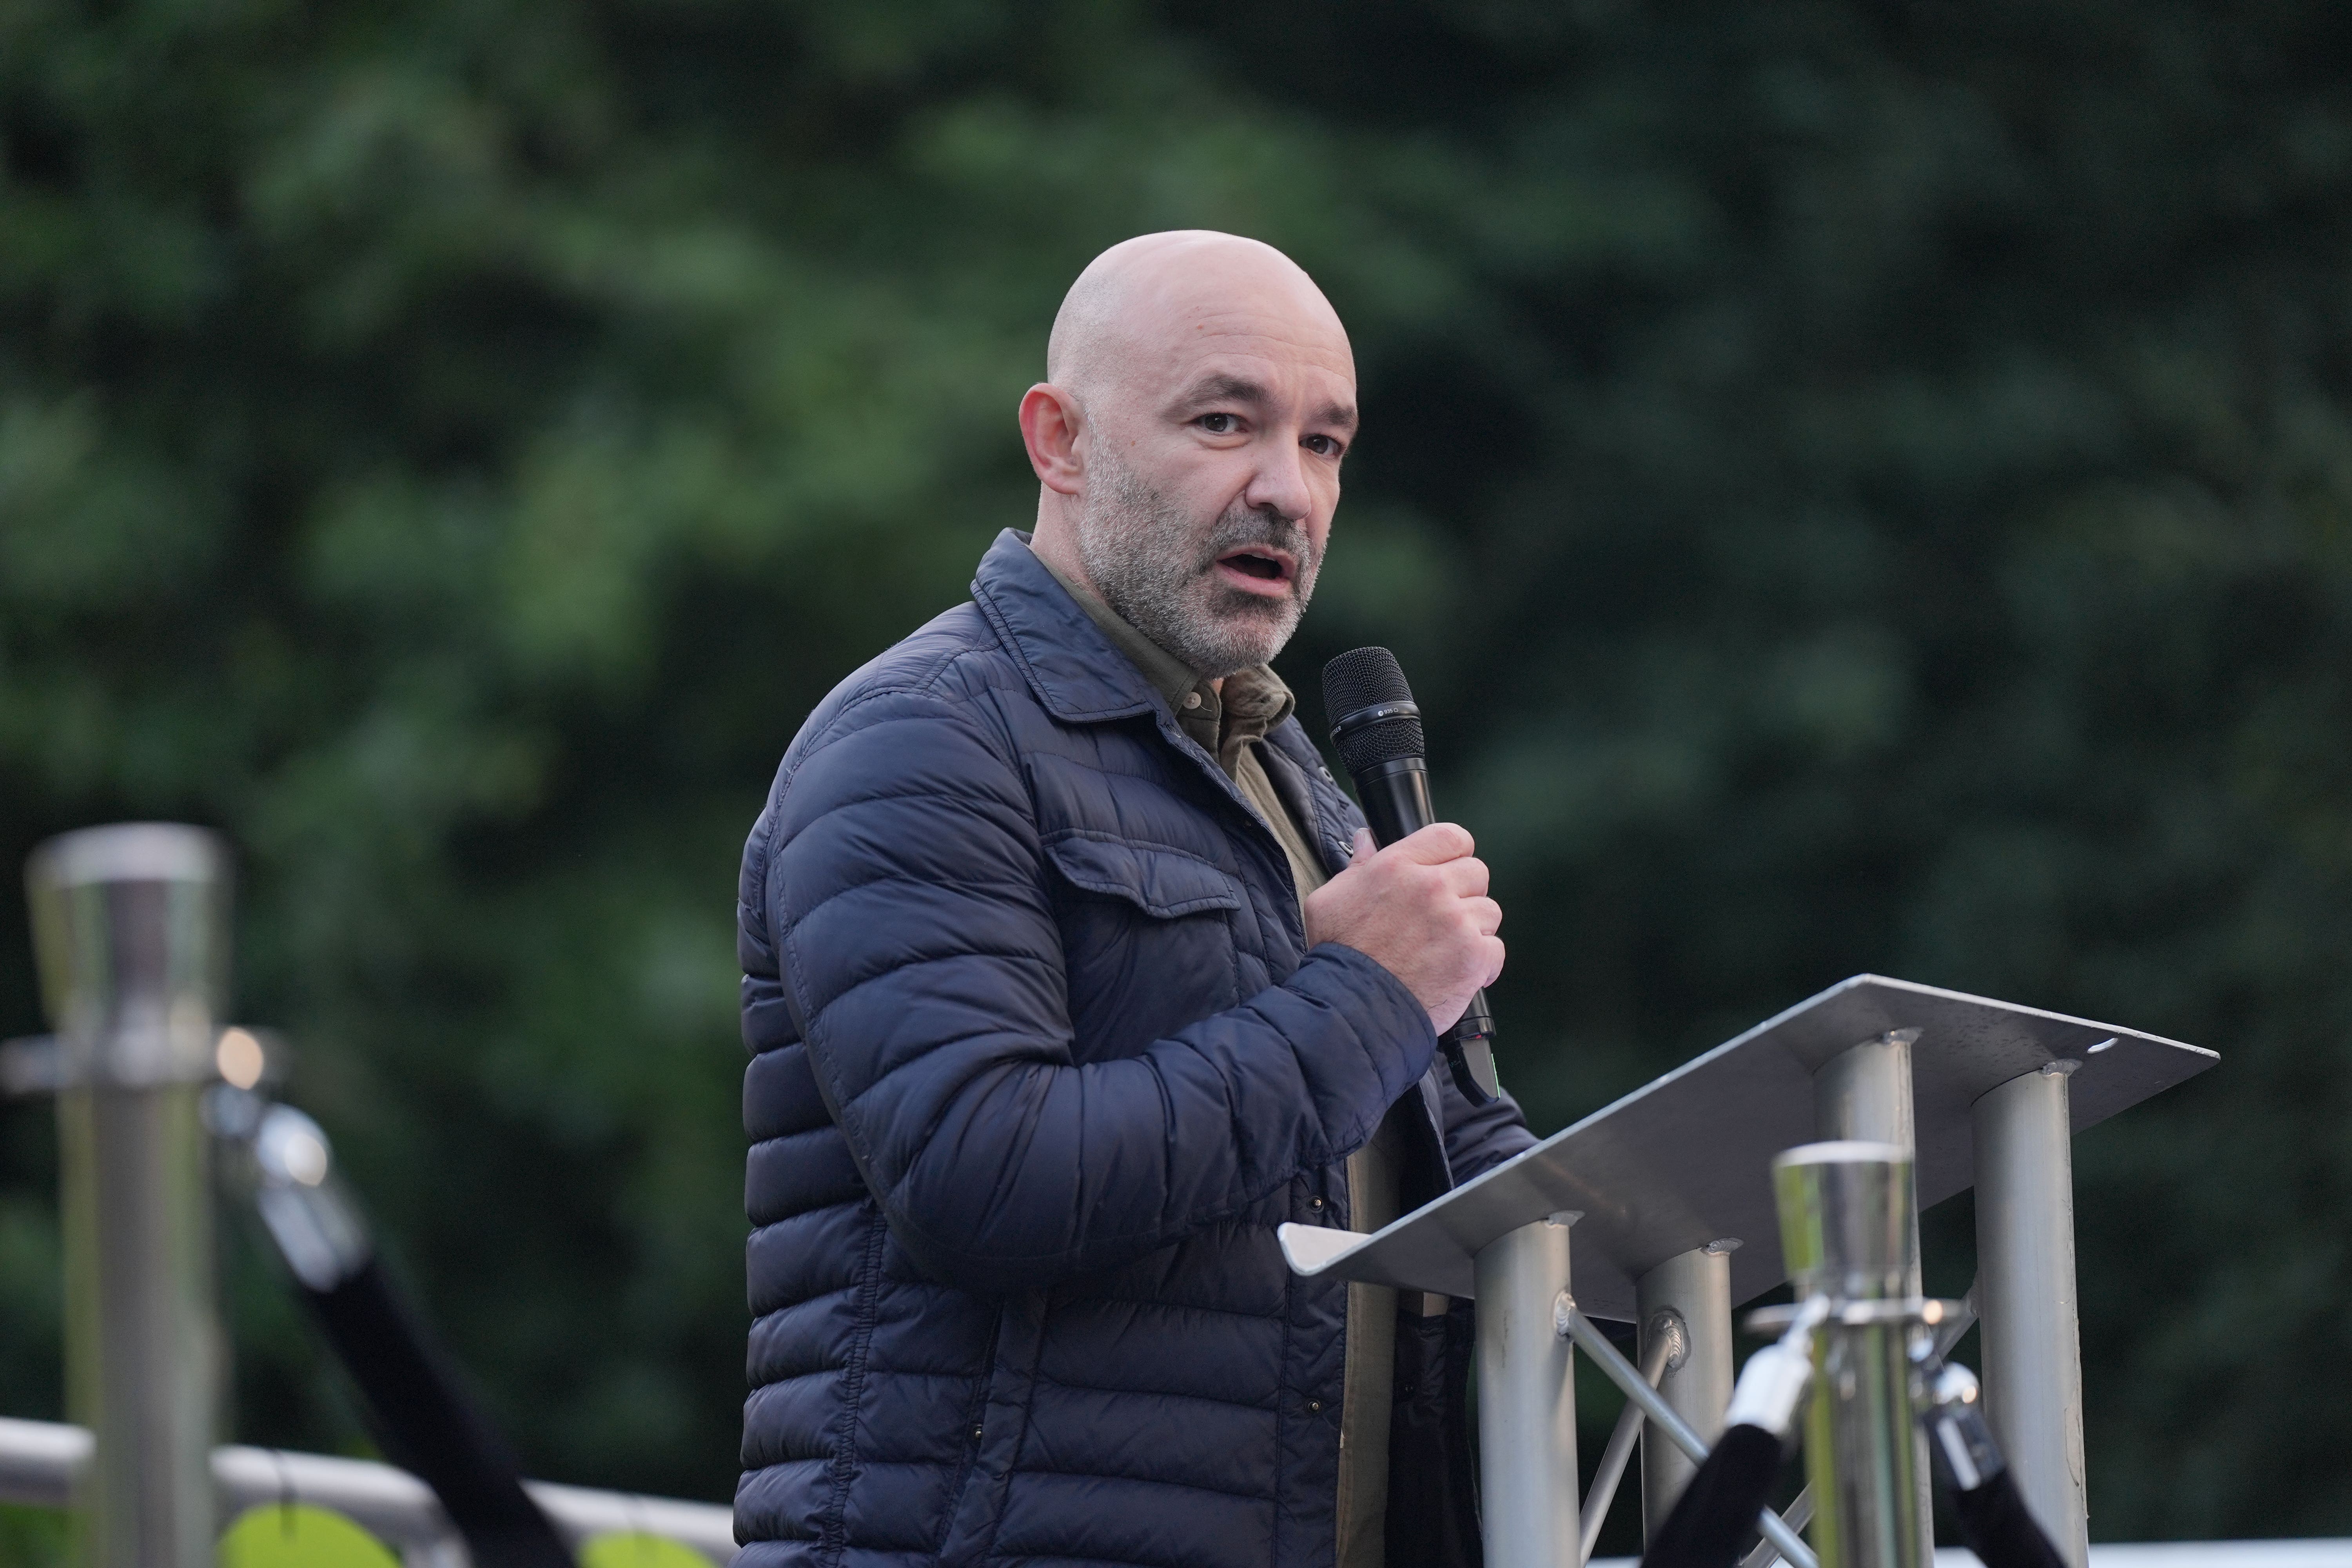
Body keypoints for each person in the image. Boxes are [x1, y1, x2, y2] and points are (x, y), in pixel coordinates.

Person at [734, 230, 1534, 1568]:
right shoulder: (920, 742)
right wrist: (1364, 996)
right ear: (1061, 441)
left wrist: (1704, 1233)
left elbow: (1431, 1172)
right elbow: (982, 1176)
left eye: (1325, 444)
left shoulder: (1294, 779)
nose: (1287, 490)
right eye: (1226, 422)